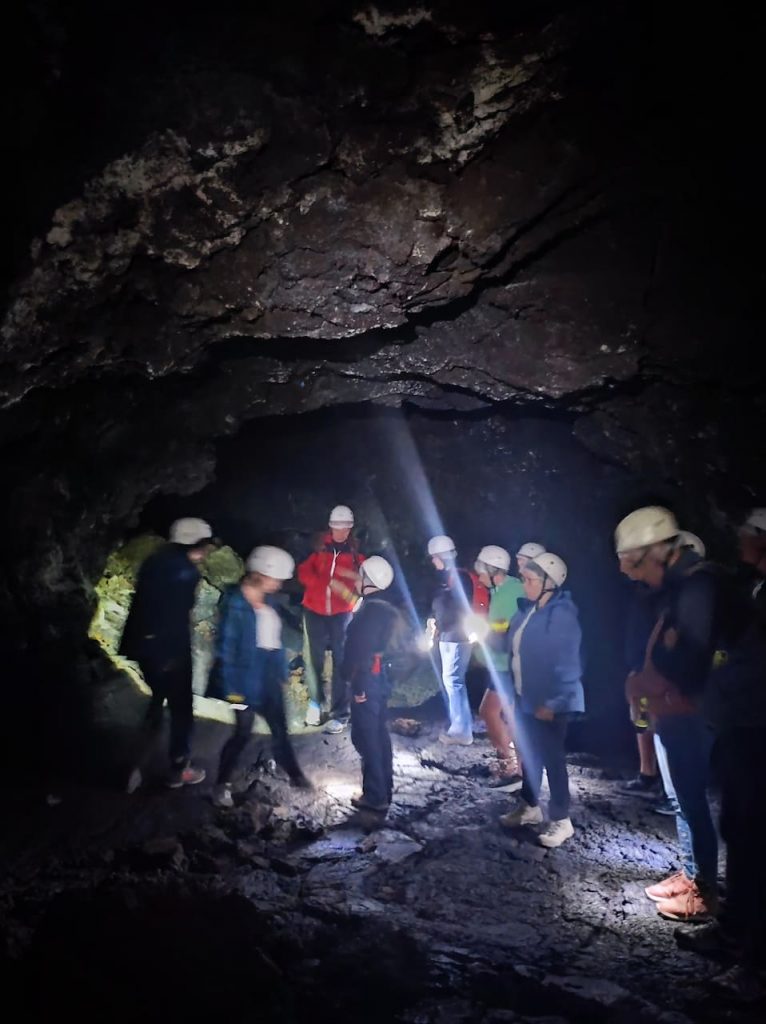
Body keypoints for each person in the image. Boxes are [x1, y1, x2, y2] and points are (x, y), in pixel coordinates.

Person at [615, 506, 719, 922]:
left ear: (656, 551)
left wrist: (653, 683)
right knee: (679, 798)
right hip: (671, 712)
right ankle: (693, 872)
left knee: (691, 799)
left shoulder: (700, 589)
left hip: (690, 715)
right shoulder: (677, 592)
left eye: (633, 564)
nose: (629, 574)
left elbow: (699, 660)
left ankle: (705, 892)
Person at [680, 508, 766, 999]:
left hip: (758, 732)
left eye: (748, 534)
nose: (740, 540)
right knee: (739, 831)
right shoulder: (751, 590)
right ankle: (733, 937)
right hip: (741, 728)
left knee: (756, 844)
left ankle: (755, 966)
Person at [119, 518, 217, 791]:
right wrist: (172, 656)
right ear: (194, 543)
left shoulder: (155, 560)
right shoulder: (185, 572)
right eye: (205, 546)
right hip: (169, 649)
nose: (207, 551)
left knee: (155, 704)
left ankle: (134, 766)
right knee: (181, 708)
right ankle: (178, 768)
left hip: (141, 646)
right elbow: (173, 616)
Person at [211, 546, 311, 807]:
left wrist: (279, 673)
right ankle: (221, 785)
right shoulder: (235, 604)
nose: (279, 583)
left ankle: (296, 776)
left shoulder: (269, 601)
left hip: (267, 677)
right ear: (260, 574)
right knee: (242, 733)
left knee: (280, 730)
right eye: (276, 577)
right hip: (242, 683)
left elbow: (274, 642)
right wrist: (234, 692)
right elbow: (226, 651)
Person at [499, 553, 584, 848]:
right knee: (530, 755)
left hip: (550, 702)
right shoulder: (529, 611)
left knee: (552, 758)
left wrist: (557, 701)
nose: (525, 584)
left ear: (549, 583)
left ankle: (561, 820)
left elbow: (567, 661)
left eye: (530, 580)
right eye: (525, 579)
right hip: (526, 698)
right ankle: (530, 807)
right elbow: (515, 648)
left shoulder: (561, 614)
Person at [298, 505, 366, 735]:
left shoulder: (356, 554)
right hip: (313, 609)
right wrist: (324, 583)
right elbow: (303, 573)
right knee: (312, 659)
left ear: (350, 528)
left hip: (342, 613)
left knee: (342, 662)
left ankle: (340, 713)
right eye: (337, 527)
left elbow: (365, 579)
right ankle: (315, 704)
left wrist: (348, 581)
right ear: (331, 527)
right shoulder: (318, 548)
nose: (341, 532)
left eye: (345, 527)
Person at [343, 556, 401, 813]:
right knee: (378, 732)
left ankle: (375, 795)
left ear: (369, 579)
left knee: (366, 736)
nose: (356, 578)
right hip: (380, 678)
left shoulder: (369, 612)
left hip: (367, 678)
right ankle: (383, 789)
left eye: (360, 574)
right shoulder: (386, 608)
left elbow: (359, 652)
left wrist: (357, 688)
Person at [473, 545, 525, 790]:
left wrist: (484, 636)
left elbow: (504, 633)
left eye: (482, 571)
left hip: (507, 666)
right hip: (506, 664)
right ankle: (517, 769)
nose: (479, 577)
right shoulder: (510, 587)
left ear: (494, 571)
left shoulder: (507, 596)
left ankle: (511, 769)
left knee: (491, 712)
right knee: (507, 716)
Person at [428, 535, 480, 746]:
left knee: (454, 681)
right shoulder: (448, 578)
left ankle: (461, 730)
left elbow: (459, 609)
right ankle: (458, 725)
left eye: (434, 557)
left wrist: (441, 625)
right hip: (449, 636)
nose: (432, 561)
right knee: (452, 681)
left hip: (457, 637)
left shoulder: (459, 578)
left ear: (442, 556)